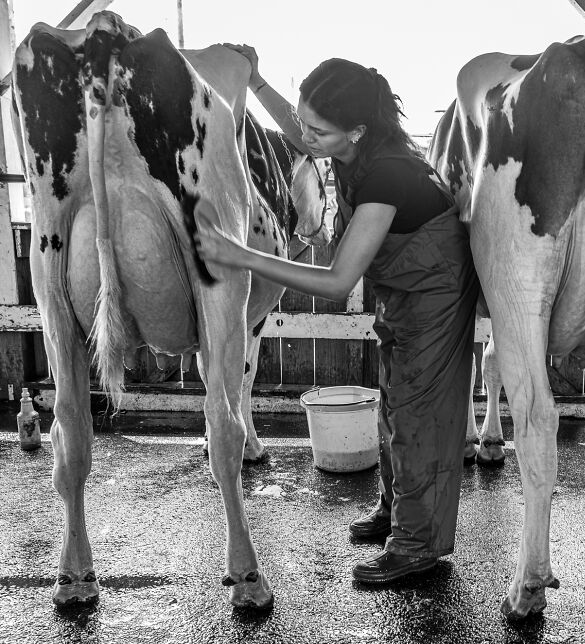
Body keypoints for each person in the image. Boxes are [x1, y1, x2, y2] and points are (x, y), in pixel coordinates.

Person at [193, 46, 480, 584]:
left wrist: (239, 254)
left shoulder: (388, 175)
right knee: (394, 404)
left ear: (356, 132)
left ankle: (418, 546)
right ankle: (397, 513)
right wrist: (255, 83)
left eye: (319, 130)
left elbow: (336, 283)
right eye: (305, 121)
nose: (305, 138)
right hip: (404, 286)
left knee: (421, 415)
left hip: (436, 291)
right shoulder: (354, 149)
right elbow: (302, 132)